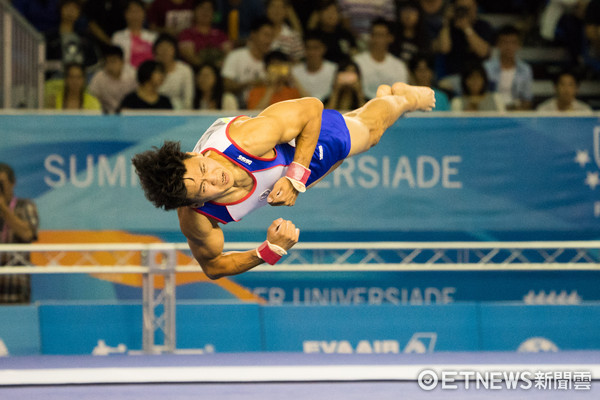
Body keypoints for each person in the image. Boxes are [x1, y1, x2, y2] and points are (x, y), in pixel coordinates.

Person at [131, 82, 435, 279]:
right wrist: (268, 250)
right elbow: (213, 266)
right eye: (202, 188)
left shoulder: (246, 139)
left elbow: (312, 107)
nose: (212, 176)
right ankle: (380, 103)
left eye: (201, 168)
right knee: (358, 126)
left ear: (190, 153)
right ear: (195, 203)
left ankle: (403, 99)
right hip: (285, 174)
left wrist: (295, 177)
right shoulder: (196, 220)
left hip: (298, 146)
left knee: (369, 133)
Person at [0, 163, 39, 304]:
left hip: (15, 288)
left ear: (12, 183)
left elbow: (28, 234)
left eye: (1, 183)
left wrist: (4, 209)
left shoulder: (25, 206)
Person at [220, 17, 275, 107]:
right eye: (265, 35)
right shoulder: (236, 56)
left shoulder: (273, 61)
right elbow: (226, 85)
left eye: (271, 36)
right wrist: (250, 84)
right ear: (253, 34)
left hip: (265, 107)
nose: (269, 40)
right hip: (239, 108)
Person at [434, 0, 494, 77]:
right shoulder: (449, 27)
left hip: (476, 77)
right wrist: (446, 22)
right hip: (452, 76)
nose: (464, 12)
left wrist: (466, 28)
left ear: (475, 7)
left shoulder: (483, 26)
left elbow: (483, 52)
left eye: (467, 8)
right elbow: (444, 49)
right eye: (461, 8)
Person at [353, 18, 409, 100]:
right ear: (370, 37)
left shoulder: (399, 66)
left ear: (390, 38)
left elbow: (401, 96)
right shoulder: (357, 61)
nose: (378, 39)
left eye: (381, 35)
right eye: (375, 35)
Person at [483, 25, 533, 111]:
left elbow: (527, 99)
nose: (508, 47)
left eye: (513, 43)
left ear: (519, 45)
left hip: (516, 112)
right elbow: (481, 96)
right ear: (498, 44)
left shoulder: (525, 70)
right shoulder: (487, 68)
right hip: (491, 112)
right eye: (505, 42)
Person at [44, 0, 99, 78]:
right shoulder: (49, 37)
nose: (70, 11)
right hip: (57, 78)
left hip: (82, 78)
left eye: (75, 8)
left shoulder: (86, 37)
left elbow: (93, 62)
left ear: (79, 13)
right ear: (60, 9)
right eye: (67, 7)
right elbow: (42, 62)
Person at [177, 0, 231, 68]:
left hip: (218, 72)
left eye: (209, 9)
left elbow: (228, 55)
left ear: (214, 14)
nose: (205, 12)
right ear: (194, 11)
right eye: (201, 8)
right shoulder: (186, 34)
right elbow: (190, 56)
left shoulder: (221, 35)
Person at [88, 45, 138, 114]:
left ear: (122, 62)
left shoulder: (133, 76)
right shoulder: (98, 77)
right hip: (106, 116)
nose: (110, 65)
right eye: (107, 62)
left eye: (113, 61)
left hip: (129, 114)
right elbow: (92, 98)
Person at [307, 0, 357, 64]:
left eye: (334, 11)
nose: (331, 15)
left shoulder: (346, 34)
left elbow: (354, 54)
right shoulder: (313, 36)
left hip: (344, 70)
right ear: (319, 15)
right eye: (327, 11)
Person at [291, 32, 337, 101]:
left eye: (315, 48)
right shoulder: (294, 71)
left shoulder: (334, 70)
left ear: (323, 49)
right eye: (308, 48)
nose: (311, 52)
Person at [111, 0, 158, 69]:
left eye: (138, 11)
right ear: (125, 14)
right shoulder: (117, 37)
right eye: (131, 11)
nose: (135, 15)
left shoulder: (154, 37)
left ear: (144, 14)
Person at [153, 34, 195, 110]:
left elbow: (188, 99)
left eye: (168, 48)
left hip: (178, 111)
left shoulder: (185, 70)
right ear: (155, 50)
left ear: (175, 50)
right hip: (154, 110)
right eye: (161, 48)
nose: (165, 52)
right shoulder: (150, 69)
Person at [391, 0, 432, 65]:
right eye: (405, 11)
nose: (408, 15)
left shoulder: (424, 38)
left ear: (419, 14)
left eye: (412, 11)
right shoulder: (392, 36)